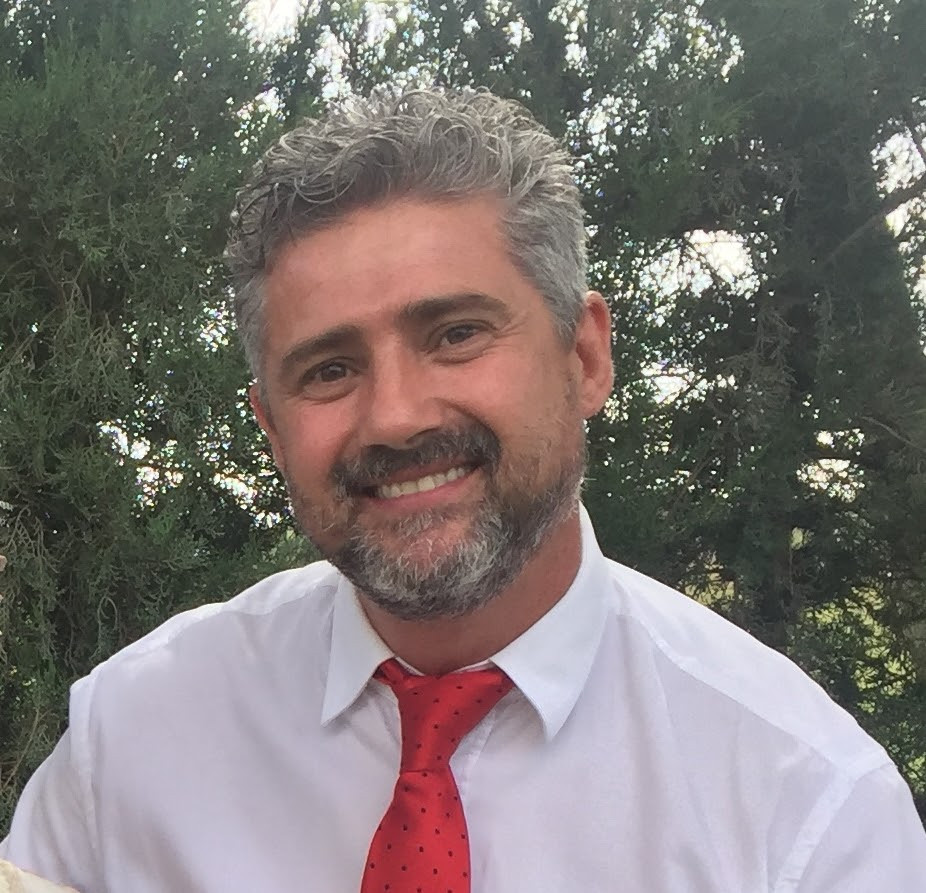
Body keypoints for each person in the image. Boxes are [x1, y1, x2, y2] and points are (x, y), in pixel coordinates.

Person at [2, 86, 925, 892]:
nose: (395, 417)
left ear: (584, 356)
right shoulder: (131, 743)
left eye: (455, 334)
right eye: (329, 369)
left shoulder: (804, 814)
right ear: (272, 429)